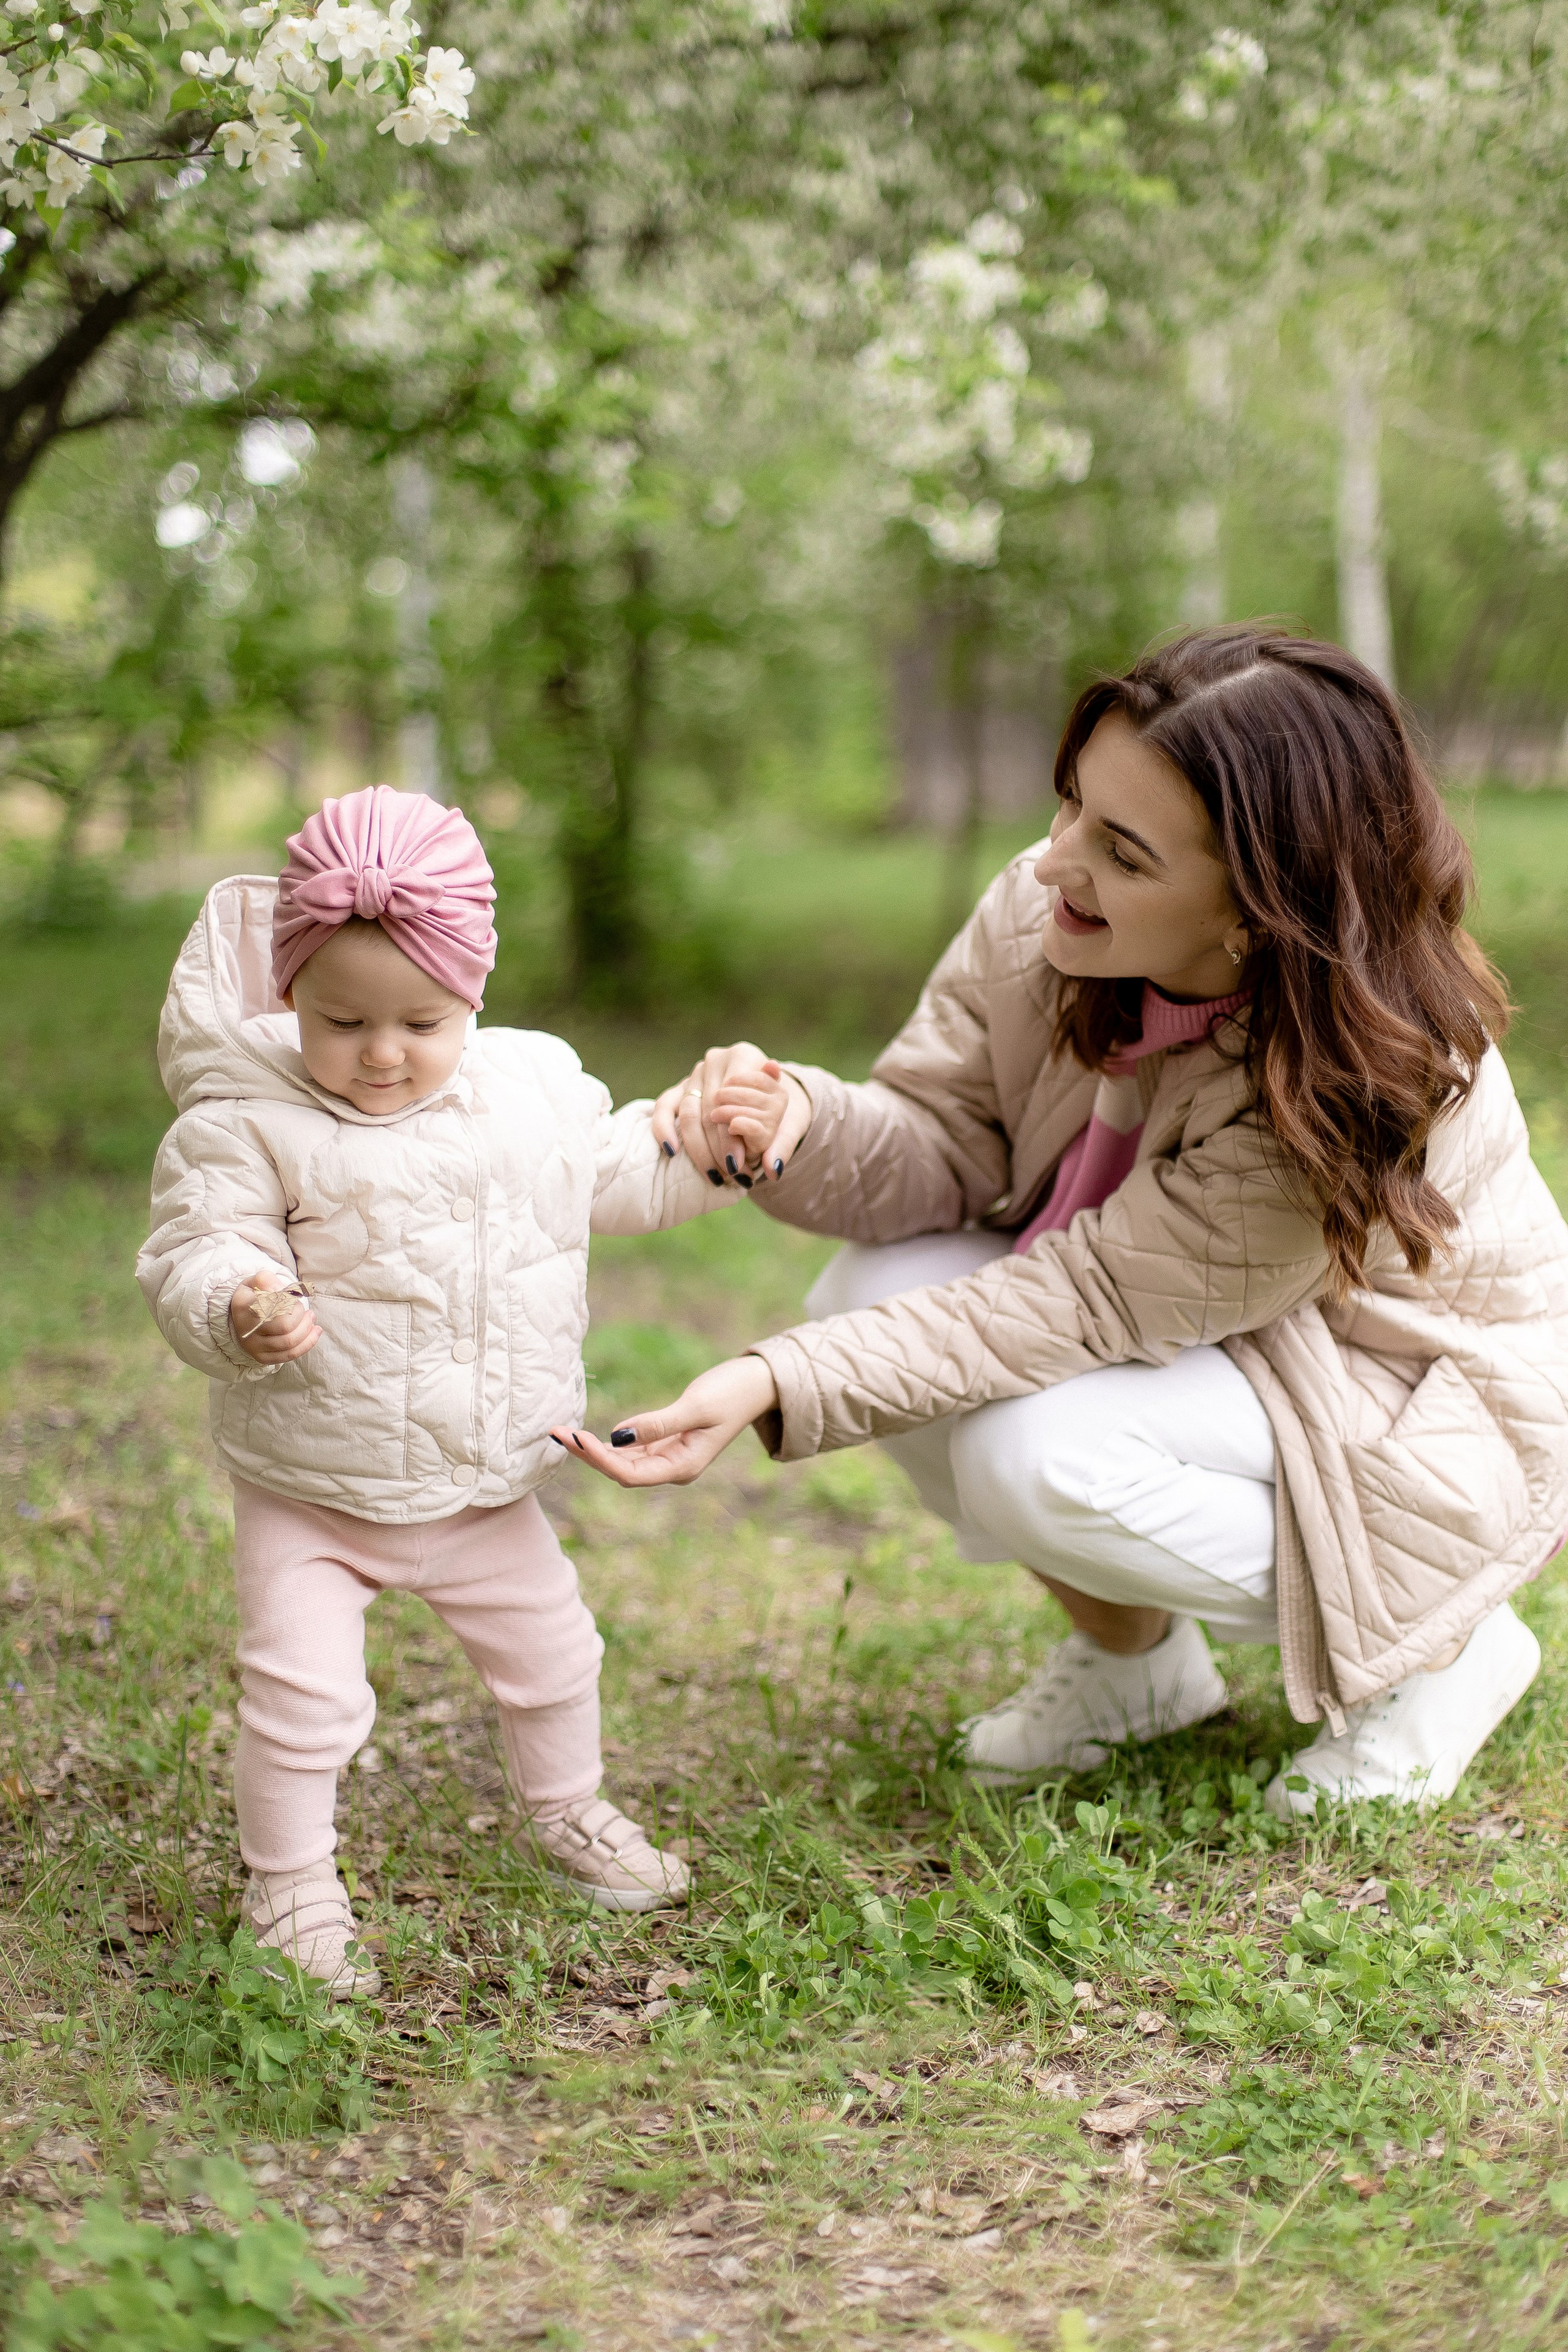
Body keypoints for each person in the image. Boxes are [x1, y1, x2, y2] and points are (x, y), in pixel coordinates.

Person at [559, 627, 1568, 1817]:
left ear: (1255, 915)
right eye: (1071, 807)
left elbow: (1076, 1303)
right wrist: (793, 1123)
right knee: (862, 1293)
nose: (1051, 864)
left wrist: (766, 1381)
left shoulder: (1356, 1080)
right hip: (1204, 1333)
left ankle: (1446, 1645)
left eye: (1119, 851)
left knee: (1030, 1453)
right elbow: (944, 1139)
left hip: (1393, 1389)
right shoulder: (1046, 920)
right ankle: (1133, 1668)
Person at [136, 785, 784, 1992]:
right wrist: (239, 1299)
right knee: (303, 1699)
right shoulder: (245, 1116)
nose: (382, 1054)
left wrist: (705, 1154)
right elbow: (197, 1241)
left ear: (474, 994)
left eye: (422, 1022)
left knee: (556, 1654)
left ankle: (566, 1810)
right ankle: (289, 1886)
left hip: (482, 1483)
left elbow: (612, 1175)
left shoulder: (527, 1091)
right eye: (341, 1021)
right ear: (289, 997)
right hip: (313, 1488)